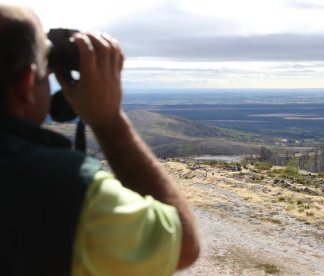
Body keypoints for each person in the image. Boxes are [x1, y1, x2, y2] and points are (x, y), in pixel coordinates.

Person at [0, 4, 199, 276]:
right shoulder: (64, 189)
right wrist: (109, 122)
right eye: (46, 71)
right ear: (26, 83)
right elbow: (182, 246)